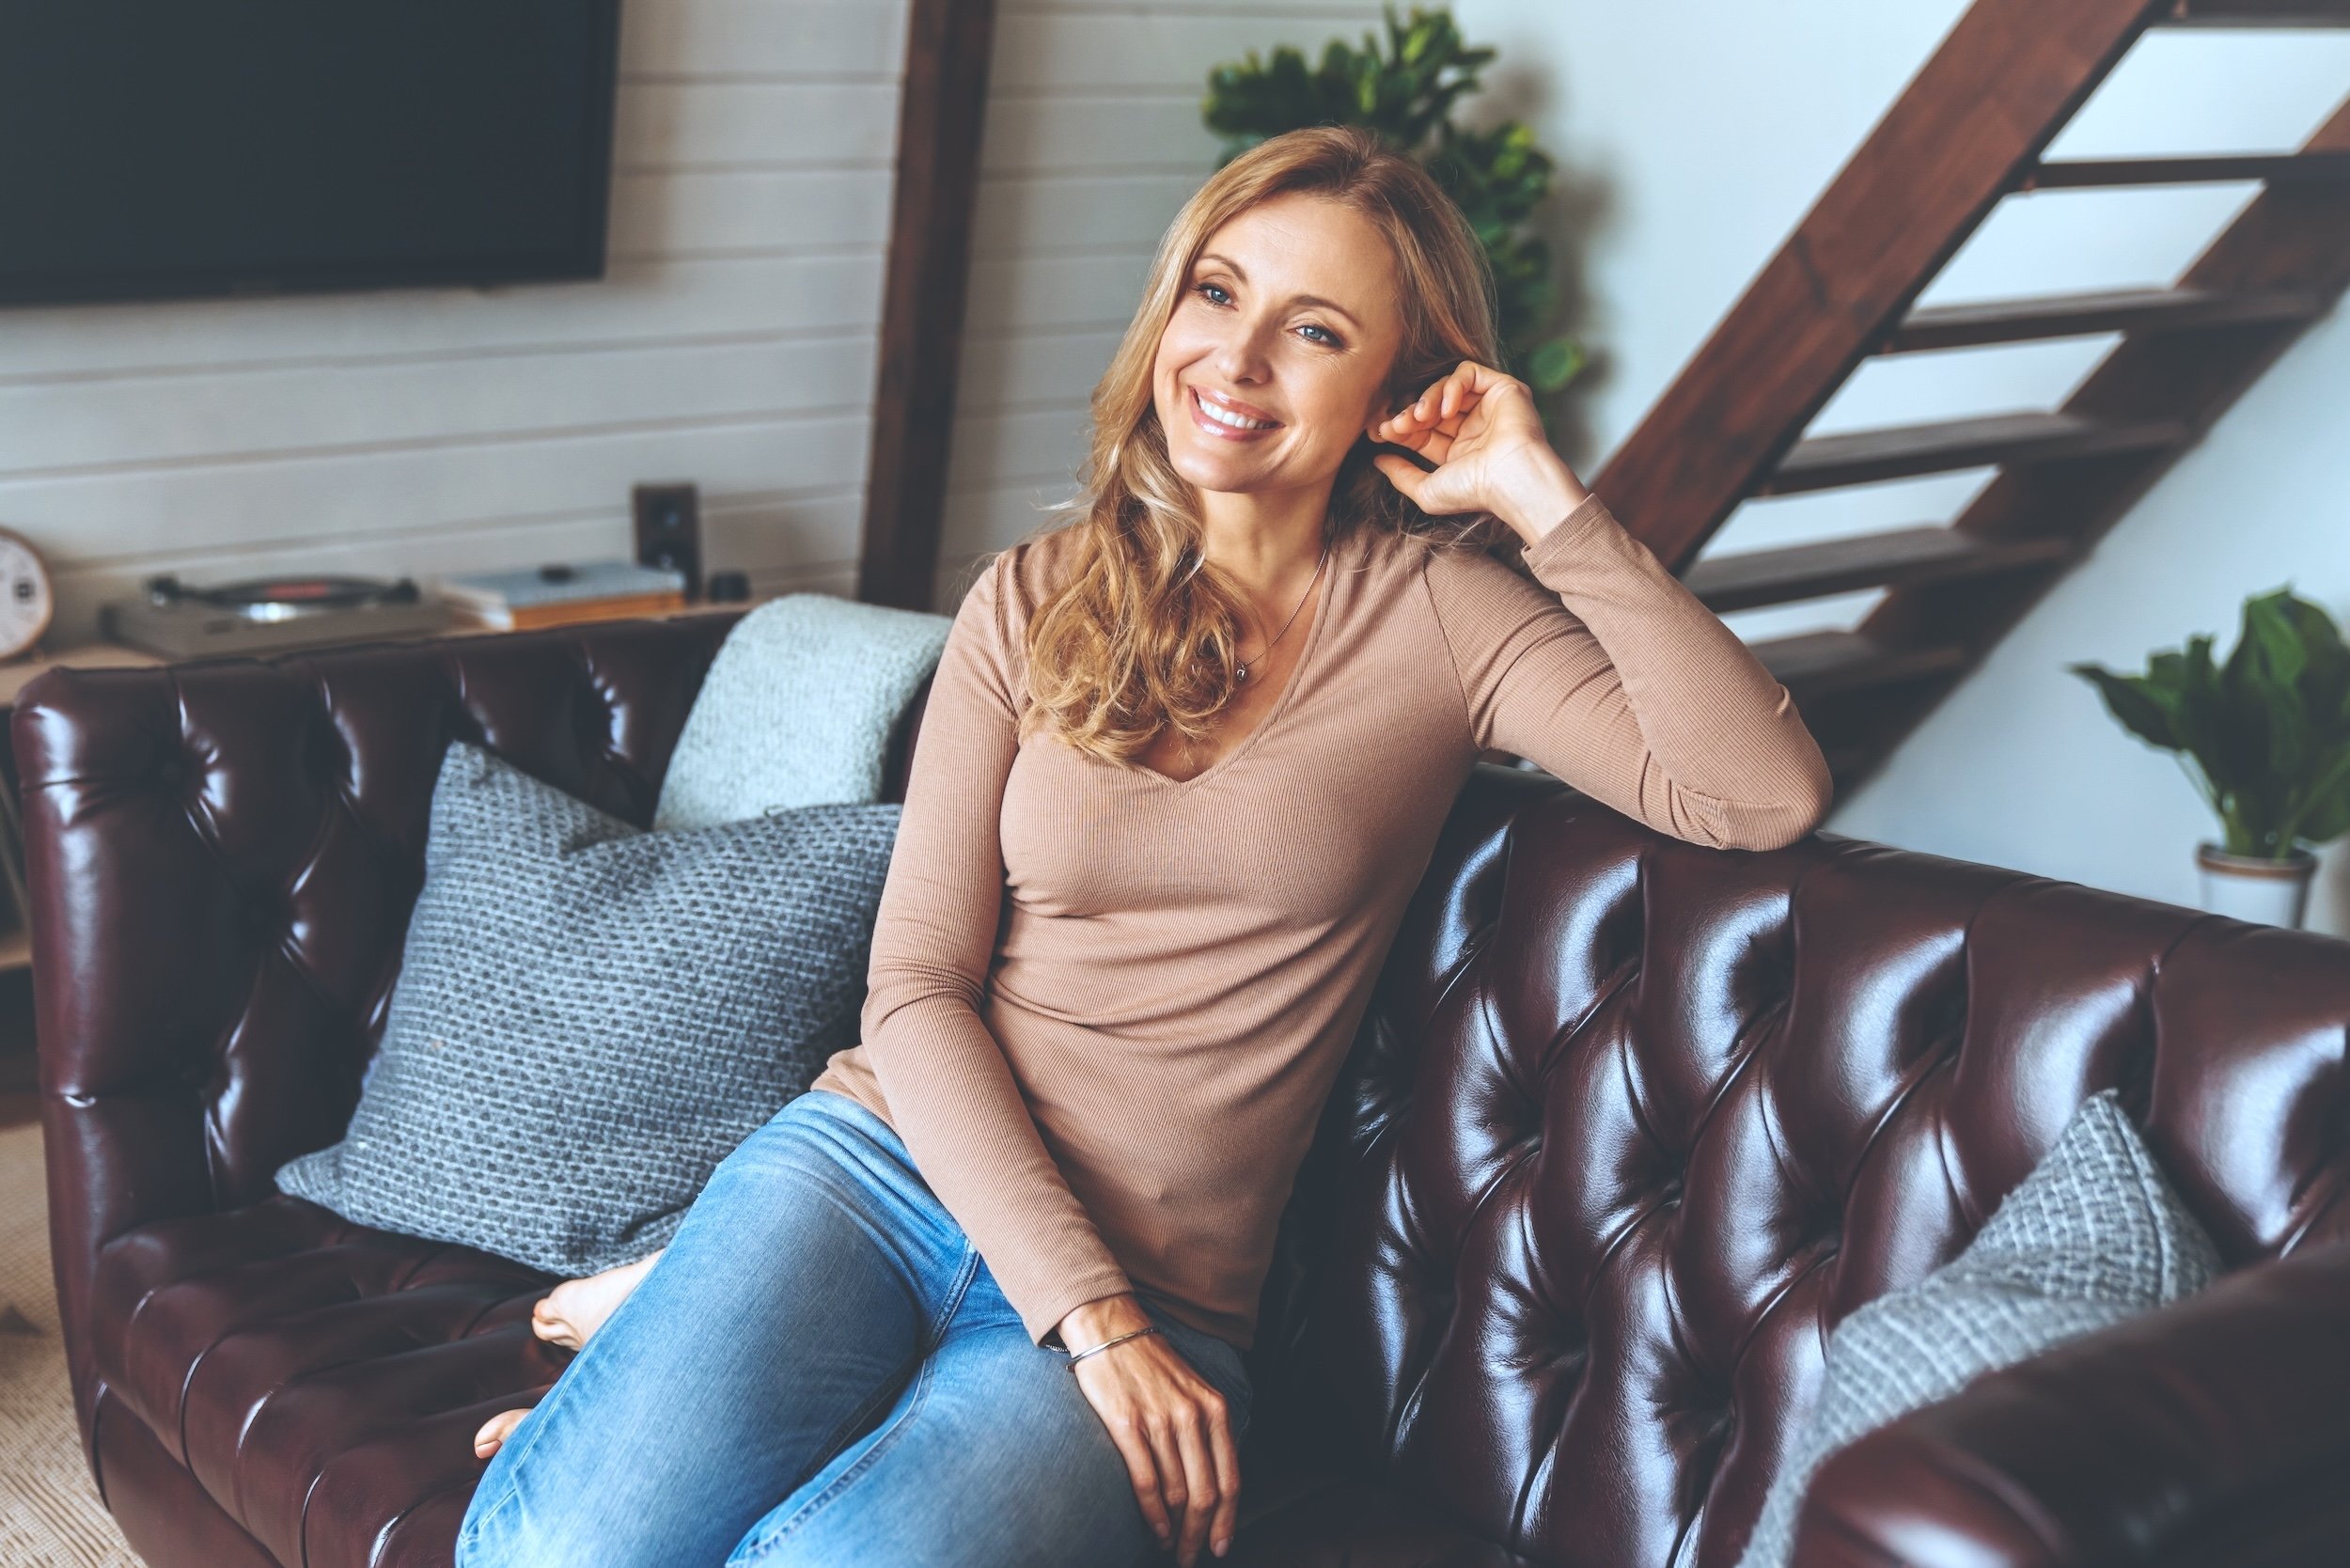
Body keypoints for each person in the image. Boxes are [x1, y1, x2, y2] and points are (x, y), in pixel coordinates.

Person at [453, 124, 1832, 1568]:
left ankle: (670, 1327)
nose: (1237, 359)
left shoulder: (1446, 623)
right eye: (1216, 293)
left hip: (1166, 1289)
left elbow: (1755, 794)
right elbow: (915, 988)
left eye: (1314, 330)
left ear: (1398, 389)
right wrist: (1084, 1313)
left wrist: (1543, 497)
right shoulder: (1029, 596)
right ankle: (689, 1317)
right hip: (876, 1176)